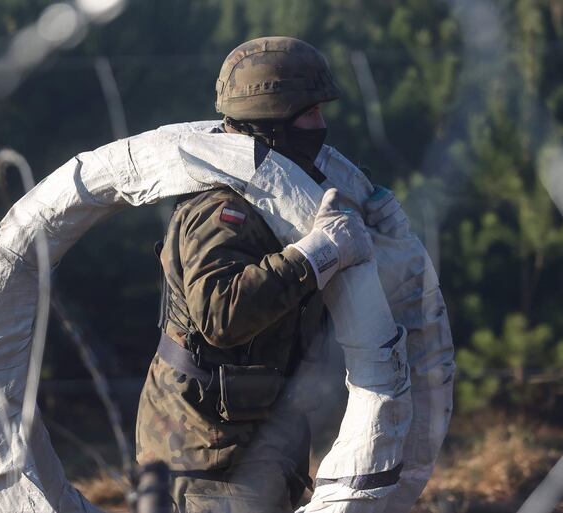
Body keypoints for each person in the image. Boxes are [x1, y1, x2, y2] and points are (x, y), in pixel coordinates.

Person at [134, 36, 412, 512]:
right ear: (273, 117)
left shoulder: (284, 201)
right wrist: (316, 255)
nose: (321, 127)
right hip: (205, 457)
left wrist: (379, 247)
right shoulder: (222, 207)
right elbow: (220, 314)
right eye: (309, 114)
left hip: (255, 443)